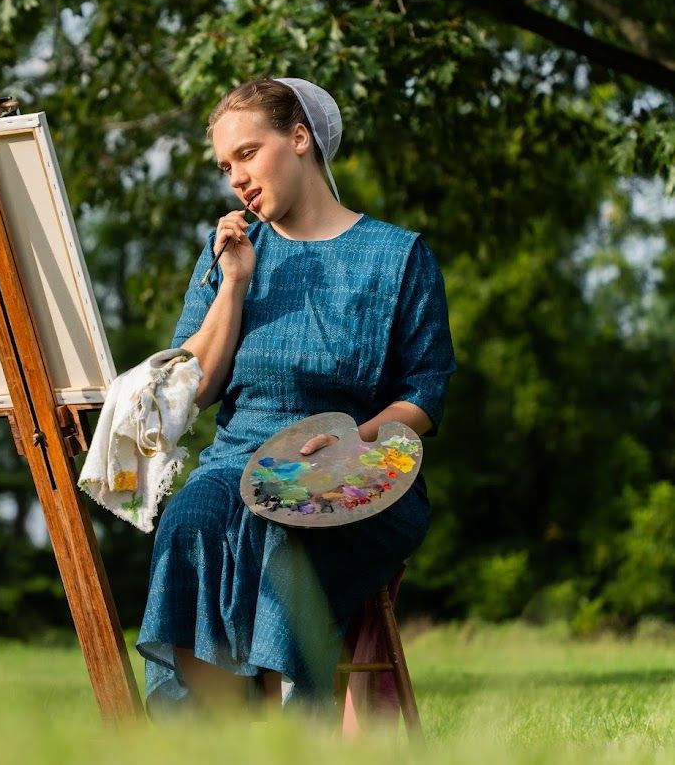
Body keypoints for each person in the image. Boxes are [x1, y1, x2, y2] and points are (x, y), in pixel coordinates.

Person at [135, 77, 456, 716]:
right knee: (190, 519)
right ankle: (209, 737)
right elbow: (194, 389)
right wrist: (233, 284)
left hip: (362, 466)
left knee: (287, 526)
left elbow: (424, 394)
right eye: (226, 166)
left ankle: (292, 724)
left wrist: (353, 440)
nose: (237, 178)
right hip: (236, 461)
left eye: (248, 153)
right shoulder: (228, 252)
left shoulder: (399, 256)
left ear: (301, 139)